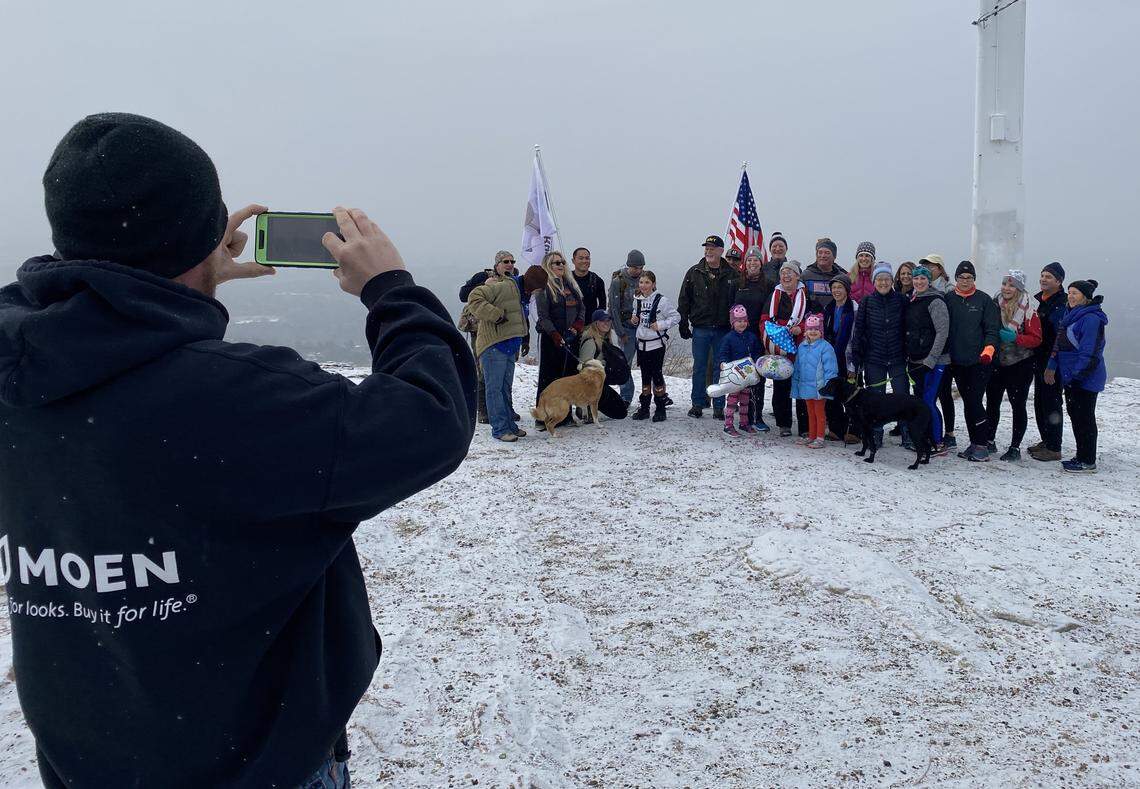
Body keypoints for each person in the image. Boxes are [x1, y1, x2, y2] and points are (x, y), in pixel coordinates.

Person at [0, 113, 475, 788]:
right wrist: (390, 287)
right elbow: (432, 417)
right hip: (256, 765)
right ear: (203, 235)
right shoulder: (246, 401)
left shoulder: (20, 379)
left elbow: (113, 381)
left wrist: (176, 284)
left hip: (88, 765)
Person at [1046, 279, 1107, 473]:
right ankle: (1081, 456)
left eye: (1075, 293)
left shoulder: (1091, 319)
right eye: (1070, 292)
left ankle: (1088, 460)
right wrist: (1052, 366)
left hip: (1085, 378)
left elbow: (1090, 352)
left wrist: (1076, 376)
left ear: (1085, 298)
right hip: (1071, 376)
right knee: (1076, 416)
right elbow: (1060, 343)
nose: (1071, 296)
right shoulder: (1071, 314)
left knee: (1085, 418)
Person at [467, 253, 530, 442]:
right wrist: (496, 315)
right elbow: (472, 298)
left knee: (505, 387)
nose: (510, 264)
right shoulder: (492, 283)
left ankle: (510, 424)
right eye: (506, 262)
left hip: (510, 342)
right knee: (493, 388)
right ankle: (500, 428)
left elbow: (520, 314)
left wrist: (524, 338)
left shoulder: (515, 285)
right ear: (497, 264)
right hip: (493, 343)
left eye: (512, 262)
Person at [946, 260, 1002, 461]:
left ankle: (982, 444)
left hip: (980, 361)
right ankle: (974, 442)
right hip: (957, 362)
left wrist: (988, 350)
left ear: (974, 279)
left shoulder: (984, 300)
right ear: (956, 279)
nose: (965, 281)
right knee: (969, 404)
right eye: (961, 277)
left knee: (974, 402)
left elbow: (992, 329)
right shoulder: (949, 299)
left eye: (969, 277)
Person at [985, 269, 1043, 461]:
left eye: (1011, 285)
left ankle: (1015, 447)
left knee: (1017, 405)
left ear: (1019, 288)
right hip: (997, 361)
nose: (1006, 288)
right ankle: (989, 440)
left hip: (1020, 363)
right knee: (992, 403)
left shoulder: (1029, 308)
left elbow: (1036, 339)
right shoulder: (995, 302)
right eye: (1004, 284)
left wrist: (1016, 338)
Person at [678, 234, 737, 419]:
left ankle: (719, 405)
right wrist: (683, 322)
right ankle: (697, 403)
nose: (708, 251)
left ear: (721, 251)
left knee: (720, 368)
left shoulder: (732, 275)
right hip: (701, 328)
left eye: (712, 248)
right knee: (699, 367)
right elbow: (684, 300)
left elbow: (737, 304)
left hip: (723, 329)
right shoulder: (694, 272)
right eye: (706, 248)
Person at [850, 262, 908, 449]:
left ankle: (907, 433)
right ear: (874, 282)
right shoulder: (867, 301)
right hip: (874, 358)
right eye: (879, 279)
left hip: (898, 357)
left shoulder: (901, 300)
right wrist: (857, 355)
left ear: (892, 280)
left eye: (887, 279)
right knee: (875, 398)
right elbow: (859, 330)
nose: (883, 282)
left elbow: (908, 327)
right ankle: (876, 435)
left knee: (902, 396)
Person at [534, 251, 585, 424]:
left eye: (562, 262)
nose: (561, 265)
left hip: (571, 338)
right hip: (552, 339)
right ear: (548, 266)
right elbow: (543, 316)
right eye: (556, 263)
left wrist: (576, 327)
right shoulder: (543, 287)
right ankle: (543, 417)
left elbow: (582, 309)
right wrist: (555, 334)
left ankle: (565, 415)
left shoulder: (571, 284)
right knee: (549, 379)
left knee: (568, 379)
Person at [905, 264, 951, 452]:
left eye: (923, 278)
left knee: (928, 402)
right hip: (916, 360)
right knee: (920, 402)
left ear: (929, 280)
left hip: (935, 361)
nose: (919, 281)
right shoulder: (913, 299)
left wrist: (931, 359)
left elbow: (942, 332)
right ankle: (924, 438)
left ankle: (937, 441)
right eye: (916, 278)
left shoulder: (936, 300)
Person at [761, 260, 809, 437]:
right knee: (781, 388)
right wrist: (770, 340)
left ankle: (805, 427)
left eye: (791, 272)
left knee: (802, 388)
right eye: (783, 272)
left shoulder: (806, 296)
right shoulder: (774, 296)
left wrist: (800, 329)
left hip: (801, 348)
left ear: (798, 276)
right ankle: (784, 424)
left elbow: (815, 319)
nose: (786, 275)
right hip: (779, 349)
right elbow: (764, 320)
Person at [1028, 262, 1068, 461]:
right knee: (1041, 402)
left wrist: (1052, 366)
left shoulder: (1061, 304)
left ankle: (1054, 447)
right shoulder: (1042, 300)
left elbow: (1059, 338)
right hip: (1039, 358)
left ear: (1059, 282)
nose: (1044, 279)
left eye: (1049, 277)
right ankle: (1046, 440)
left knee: (1051, 403)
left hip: (1052, 362)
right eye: (1043, 275)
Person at [918, 253, 957, 447]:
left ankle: (942, 438)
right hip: (923, 358)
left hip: (939, 357)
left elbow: (943, 330)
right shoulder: (917, 296)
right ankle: (931, 435)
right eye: (925, 266)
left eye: (932, 266)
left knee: (936, 397)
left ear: (940, 269)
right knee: (928, 398)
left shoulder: (945, 293)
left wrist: (932, 358)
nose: (929, 269)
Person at [631, 270, 681, 422]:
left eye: (647, 282)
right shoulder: (637, 300)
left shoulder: (661, 301)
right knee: (645, 377)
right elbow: (636, 314)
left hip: (656, 345)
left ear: (653, 284)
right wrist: (634, 319)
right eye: (641, 282)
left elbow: (676, 317)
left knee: (657, 376)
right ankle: (644, 408)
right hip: (641, 345)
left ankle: (660, 408)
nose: (644, 285)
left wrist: (660, 325)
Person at [734, 245, 775, 431]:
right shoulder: (737, 283)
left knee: (757, 378)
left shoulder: (768, 285)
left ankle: (757, 416)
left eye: (756, 260)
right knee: (741, 376)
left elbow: (771, 312)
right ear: (745, 263)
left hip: (758, 337)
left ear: (761, 263)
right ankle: (743, 416)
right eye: (749, 260)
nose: (752, 263)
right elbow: (730, 308)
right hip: (739, 336)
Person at [791, 313, 839, 448]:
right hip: (806, 385)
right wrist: (797, 381)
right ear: (806, 331)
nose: (813, 332)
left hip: (820, 386)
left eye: (816, 329)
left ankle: (820, 437)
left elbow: (830, 368)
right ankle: (812, 436)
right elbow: (798, 366)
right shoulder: (802, 346)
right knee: (810, 412)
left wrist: (828, 385)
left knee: (819, 412)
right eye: (810, 329)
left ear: (821, 332)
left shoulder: (826, 347)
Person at [823, 273, 858, 442]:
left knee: (851, 397)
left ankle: (854, 431)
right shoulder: (829, 308)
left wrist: (854, 365)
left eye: (840, 287)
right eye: (834, 287)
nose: (837, 291)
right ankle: (836, 429)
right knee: (833, 394)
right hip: (831, 357)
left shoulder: (854, 308)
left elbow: (857, 338)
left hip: (847, 357)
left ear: (847, 289)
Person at [719, 304, 763, 435]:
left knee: (745, 401)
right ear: (733, 323)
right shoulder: (728, 338)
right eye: (739, 321)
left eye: (744, 321)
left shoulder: (751, 337)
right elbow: (723, 353)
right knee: (732, 401)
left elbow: (756, 352)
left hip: (747, 375)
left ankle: (744, 423)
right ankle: (728, 425)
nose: (742, 323)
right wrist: (723, 363)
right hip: (734, 376)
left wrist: (757, 361)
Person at [578, 309, 630, 420]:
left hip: (600, 382)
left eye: (608, 320)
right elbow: (582, 368)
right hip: (590, 385)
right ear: (595, 323)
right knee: (619, 412)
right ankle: (584, 406)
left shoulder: (606, 338)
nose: (606, 323)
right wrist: (602, 365)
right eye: (602, 320)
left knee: (621, 411)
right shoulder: (590, 341)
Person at [609, 249, 647, 404]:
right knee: (624, 364)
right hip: (626, 328)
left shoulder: (645, 279)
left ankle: (654, 394)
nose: (638, 271)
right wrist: (620, 332)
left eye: (640, 267)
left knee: (648, 363)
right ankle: (625, 396)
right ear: (629, 265)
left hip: (644, 329)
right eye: (635, 268)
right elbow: (613, 309)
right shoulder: (618, 281)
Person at [802, 237, 841, 310]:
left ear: (834, 257)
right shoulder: (805, 276)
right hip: (811, 319)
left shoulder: (840, 278)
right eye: (820, 252)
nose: (823, 256)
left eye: (827, 253)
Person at [570, 246, 607, 319]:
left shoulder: (597, 280)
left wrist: (596, 321)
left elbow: (602, 305)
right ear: (573, 261)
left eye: (587, 258)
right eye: (581, 258)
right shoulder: (566, 279)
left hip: (590, 326)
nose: (584, 261)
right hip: (569, 325)